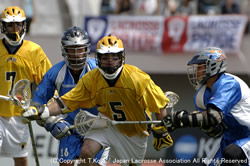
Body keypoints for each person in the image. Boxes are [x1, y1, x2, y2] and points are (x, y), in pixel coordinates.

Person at [22, 34, 174, 166]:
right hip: (106, 123)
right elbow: (67, 102)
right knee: (86, 152)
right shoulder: (92, 78)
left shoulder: (137, 78)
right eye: (105, 57)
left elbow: (159, 103)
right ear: (98, 58)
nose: (110, 62)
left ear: (122, 58)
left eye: (114, 57)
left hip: (133, 131)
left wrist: (161, 131)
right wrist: (43, 110)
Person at [32, 26, 109, 166]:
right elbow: (37, 104)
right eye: (71, 50)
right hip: (70, 127)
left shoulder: (99, 71)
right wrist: (52, 122)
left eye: (79, 50)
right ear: (64, 51)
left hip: (97, 127)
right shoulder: (54, 73)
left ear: (86, 49)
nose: (76, 55)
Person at [163, 47, 250, 166]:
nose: (196, 70)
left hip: (247, 136)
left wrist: (182, 119)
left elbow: (213, 117)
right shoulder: (201, 95)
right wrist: (204, 126)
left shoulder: (229, 83)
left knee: (232, 154)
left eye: (200, 66)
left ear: (213, 65)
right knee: (209, 164)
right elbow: (215, 131)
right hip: (230, 137)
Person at [0, 6, 52, 166]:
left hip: (20, 113)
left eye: (18, 25)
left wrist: (43, 106)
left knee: (21, 159)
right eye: (10, 25)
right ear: (3, 27)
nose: (14, 29)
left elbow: (48, 82)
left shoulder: (33, 51)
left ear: (24, 26)